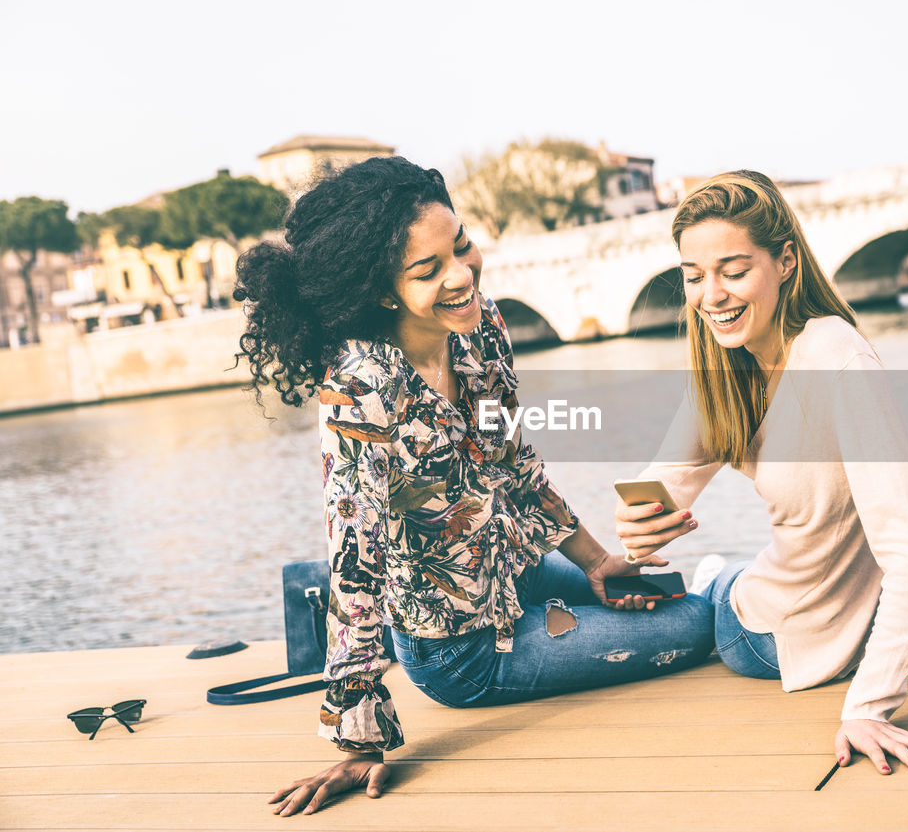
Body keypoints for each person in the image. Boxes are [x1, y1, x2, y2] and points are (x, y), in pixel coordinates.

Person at [234, 157, 714, 817]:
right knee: (693, 624)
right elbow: (354, 568)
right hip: (463, 650)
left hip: (518, 567)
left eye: (460, 245)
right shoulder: (358, 392)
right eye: (428, 270)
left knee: (662, 589)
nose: (462, 274)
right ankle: (749, 595)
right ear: (381, 289)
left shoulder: (480, 323)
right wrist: (359, 739)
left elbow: (514, 460)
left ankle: (744, 589)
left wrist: (597, 561)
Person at [616, 170, 908, 776]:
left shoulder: (832, 354)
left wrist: (869, 706)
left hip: (769, 635)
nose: (711, 295)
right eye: (695, 277)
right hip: (786, 597)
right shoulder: (727, 367)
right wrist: (638, 519)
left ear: (787, 262)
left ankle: (715, 580)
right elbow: (667, 480)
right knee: (604, 579)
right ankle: (715, 577)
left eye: (734, 271)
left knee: (674, 598)